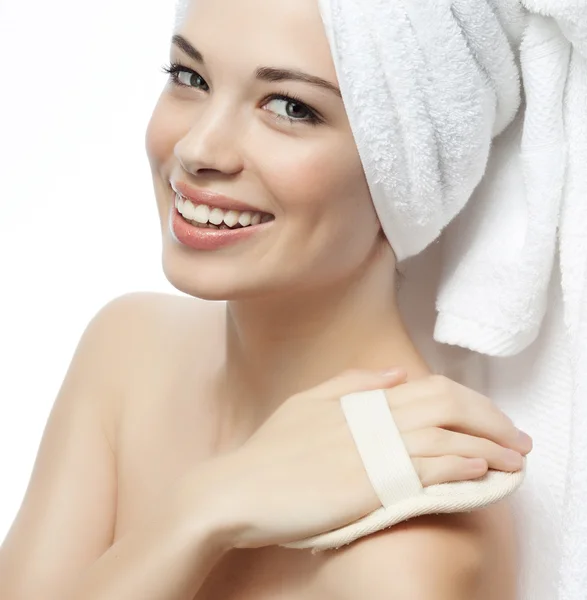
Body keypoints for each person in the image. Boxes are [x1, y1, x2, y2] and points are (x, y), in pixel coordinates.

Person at [0, 0, 534, 598]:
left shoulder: (412, 549)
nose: (198, 149)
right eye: (189, 77)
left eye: (290, 107)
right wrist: (204, 510)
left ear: (405, 167)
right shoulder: (127, 350)